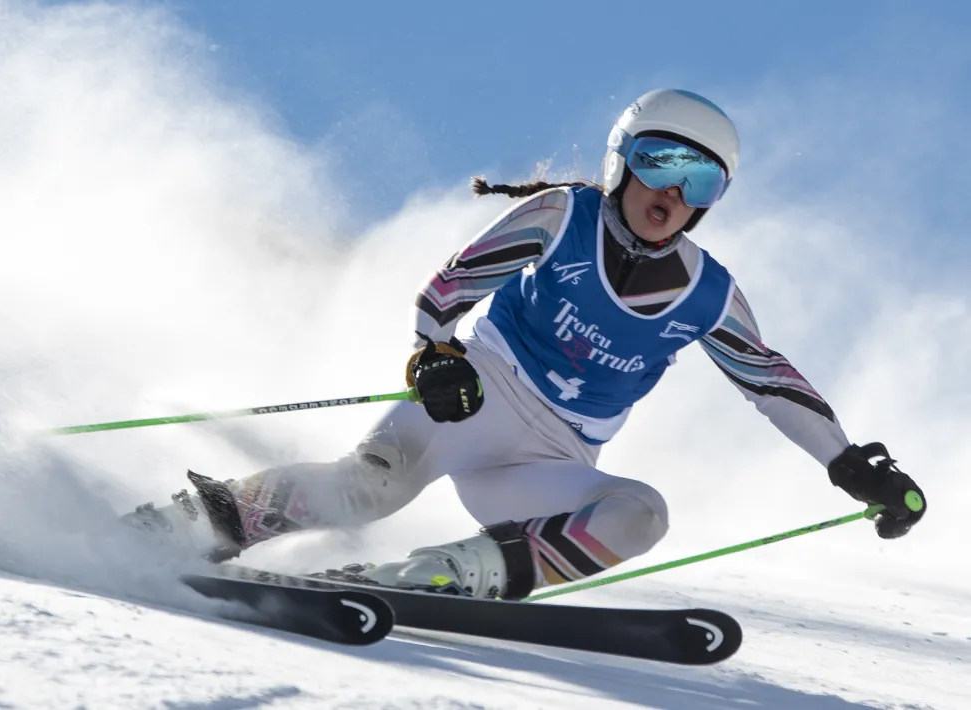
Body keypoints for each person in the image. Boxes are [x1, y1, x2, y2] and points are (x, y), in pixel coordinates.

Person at [124, 88, 926, 600]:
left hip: (549, 457)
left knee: (641, 514)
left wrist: (850, 465)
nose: (674, 192)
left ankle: (446, 577)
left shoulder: (707, 292)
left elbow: (770, 381)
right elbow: (450, 290)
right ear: (622, 164)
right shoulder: (562, 216)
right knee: (368, 491)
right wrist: (434, 356)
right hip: (474, 396)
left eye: (702, 180)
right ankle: (196, 522)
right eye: (660, 162)